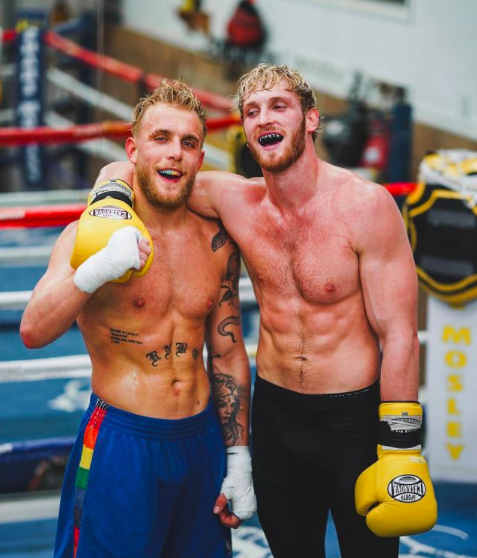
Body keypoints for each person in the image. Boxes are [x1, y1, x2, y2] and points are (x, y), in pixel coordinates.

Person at [95, 64, 437, 558]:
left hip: (353, 422)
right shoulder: (235, 201)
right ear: (246, 133)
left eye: (279, 106)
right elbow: (144, 168)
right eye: (251, 111)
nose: (263, 118)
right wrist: (108, 191)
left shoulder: (366, 206)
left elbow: (400, 333)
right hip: (278, 419)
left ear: (311, 120)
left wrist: (401, 447)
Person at [20, 80, 256, 558]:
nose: (175, 154)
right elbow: (33, 329)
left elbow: (228, 353)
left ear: (201, 156)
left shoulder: (217, 243)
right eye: (161, 138)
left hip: (201, 441)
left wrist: (238, 456)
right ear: (133, 148)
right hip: (121, 443)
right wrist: (95, 271)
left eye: (189, 143)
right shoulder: (90, 234)